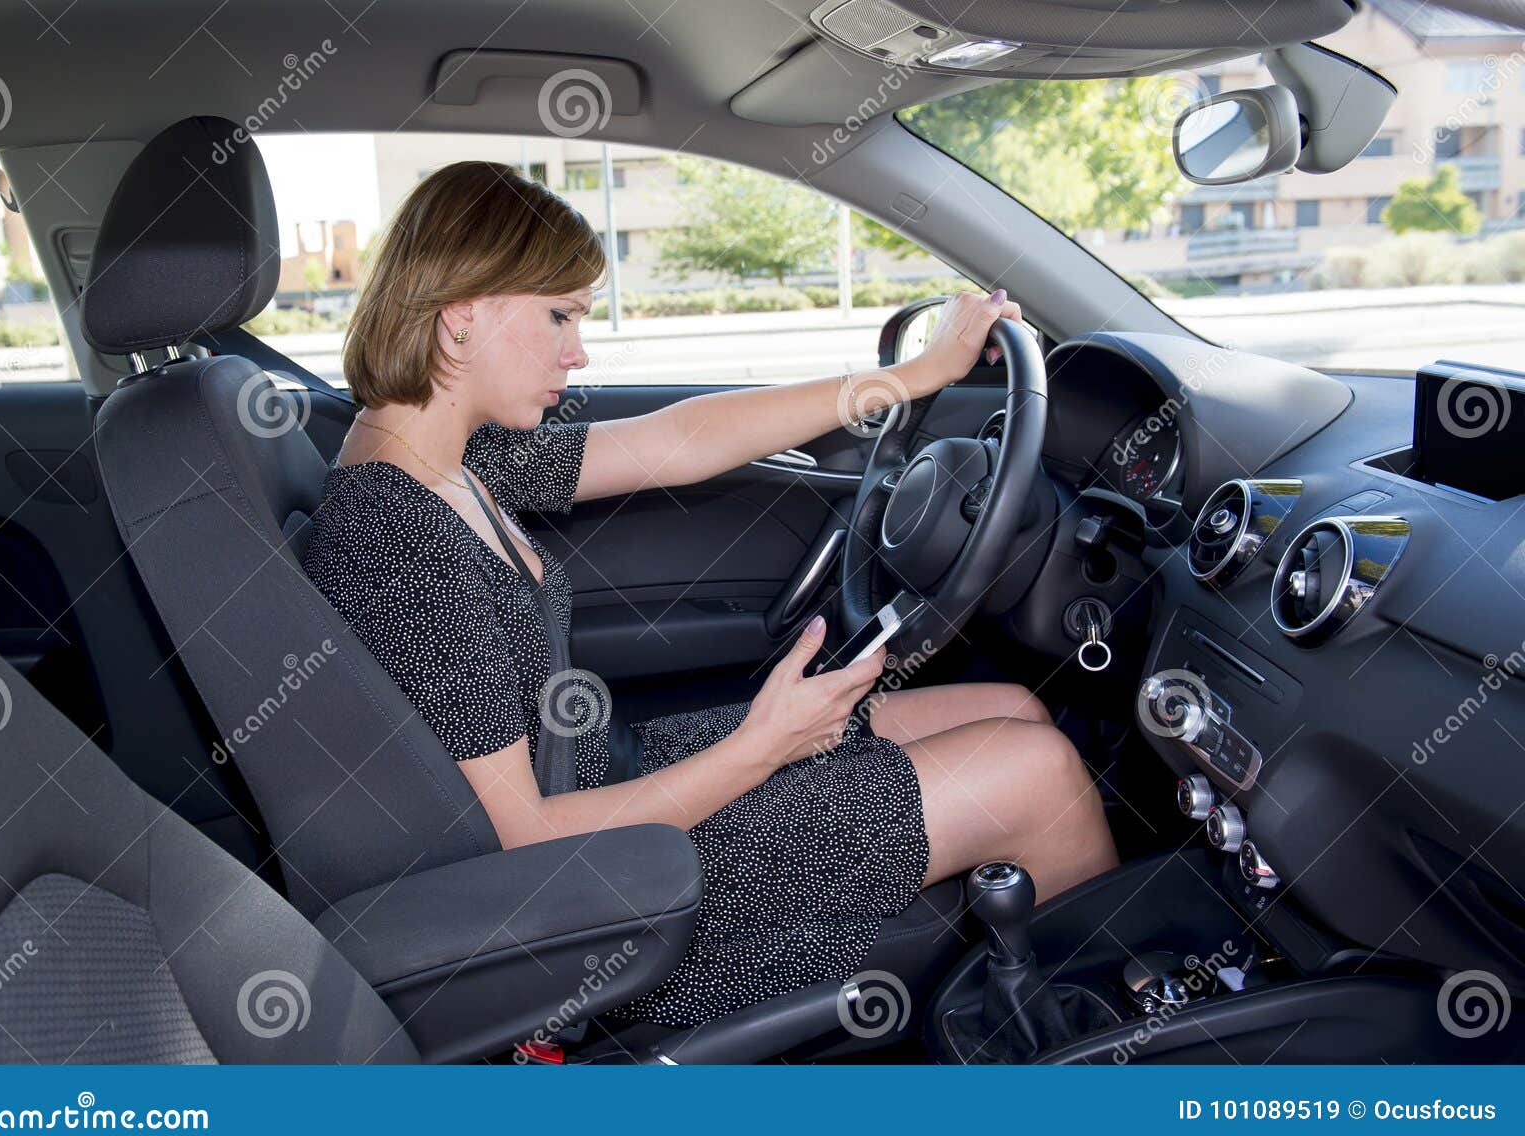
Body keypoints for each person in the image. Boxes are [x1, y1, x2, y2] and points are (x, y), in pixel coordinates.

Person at [303, 160, 1118, 1028]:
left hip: (619, 776)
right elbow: (527, 844)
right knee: (1045, 776)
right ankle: (1115, 1062)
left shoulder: (450, 458)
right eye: (559, 315)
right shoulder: (396, 536)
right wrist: (765, 745)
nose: (577, 350)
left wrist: (912, 379)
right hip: (620, 884)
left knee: (1013, 710)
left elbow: (680, 438)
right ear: (461, 313)